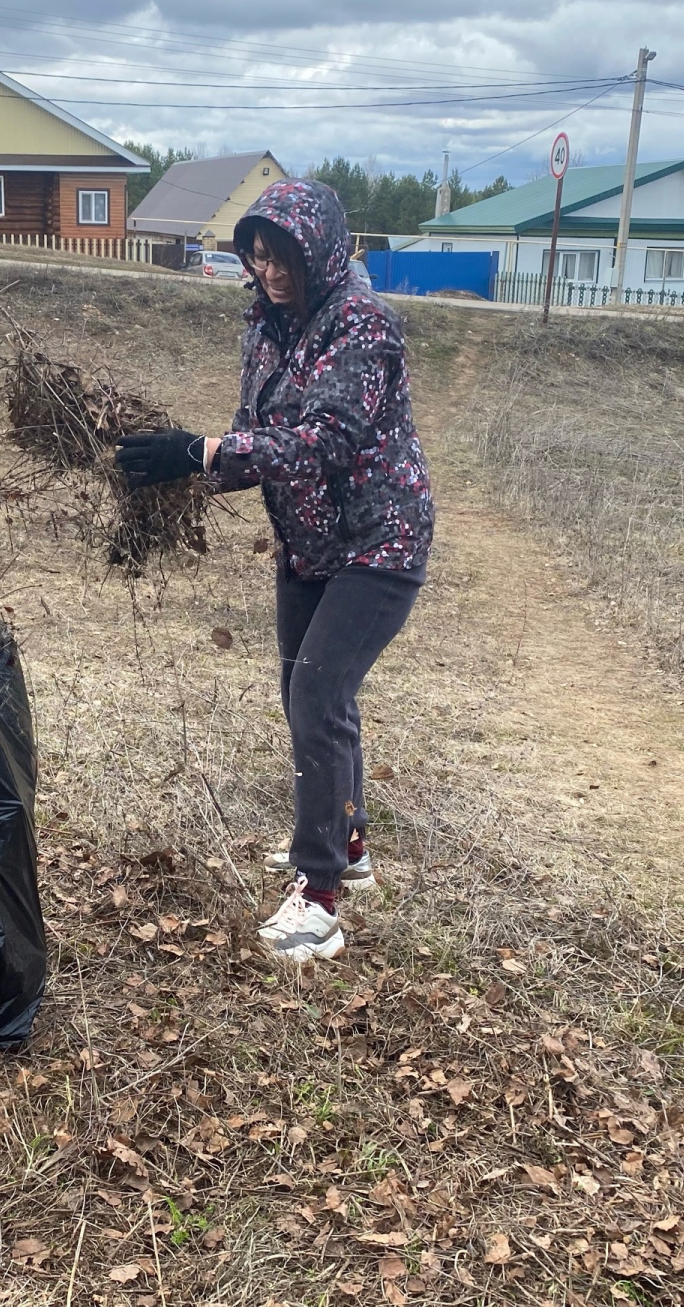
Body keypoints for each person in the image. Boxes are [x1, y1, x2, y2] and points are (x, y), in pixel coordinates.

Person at [115, 180, 434, 963]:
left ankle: (319, 898)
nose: (269, 270)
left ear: (319, 247)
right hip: (307, 543)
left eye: (282, 254)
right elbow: (254, 432)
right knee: (306, 694)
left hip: (378, 541)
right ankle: (347, 844)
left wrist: (208, 453)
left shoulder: (365, 325)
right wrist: (188, 464)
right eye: (257, 255)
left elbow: (326, 438)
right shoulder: (263, 324)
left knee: (319, 694)